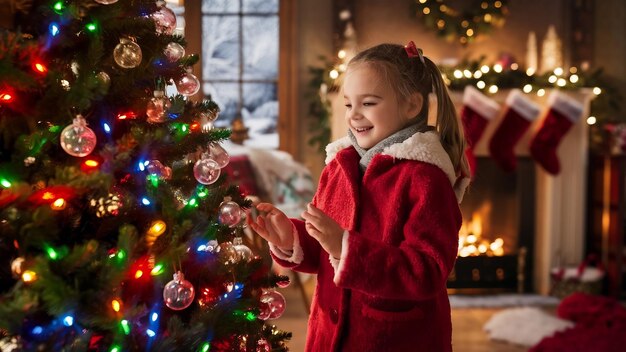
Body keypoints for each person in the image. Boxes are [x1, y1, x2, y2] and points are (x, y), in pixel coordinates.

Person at [248, 41, 470, 352]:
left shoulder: (426, 178)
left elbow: (427, 271)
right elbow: (328, 250)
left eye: (369, 103)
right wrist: (293, 238)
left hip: (395, 340)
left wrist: (344, 246)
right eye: (349, 105)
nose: (354, 116)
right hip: (328, 337)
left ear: (411, 105)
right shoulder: (338, 166)